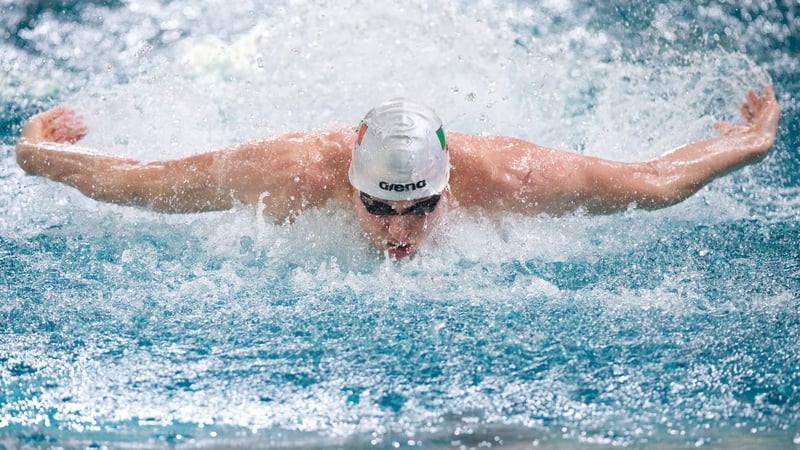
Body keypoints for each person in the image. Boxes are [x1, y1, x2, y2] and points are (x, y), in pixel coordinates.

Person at [15, 86, 780, 259]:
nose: (400, 231)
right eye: (379, 207)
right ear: (348, 184)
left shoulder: (506, 178)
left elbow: (655, 182)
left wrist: (754, 142)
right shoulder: (291, 173)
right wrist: (35, 151)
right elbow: (138, 180)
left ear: (449, 186)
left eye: (420, 208)